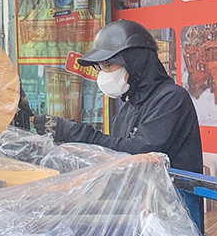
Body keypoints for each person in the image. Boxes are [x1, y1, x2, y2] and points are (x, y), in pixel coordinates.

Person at [30, 20, 203, 173]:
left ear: (135, 62)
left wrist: (73, 132)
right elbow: (112, 156)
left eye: (109, 65)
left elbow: (137, 155)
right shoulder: (127, 108)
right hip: (139, 201)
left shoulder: (172, 99)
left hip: (172, 204)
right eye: (99, 68)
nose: (103, 74)